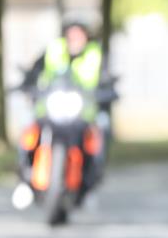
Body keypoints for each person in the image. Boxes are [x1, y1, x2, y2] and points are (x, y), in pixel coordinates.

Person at [12, 14, 107, 209]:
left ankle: (90, 184)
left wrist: (107, 89)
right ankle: (24, 179)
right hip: (49, 108)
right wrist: (27, 84)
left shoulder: (94, 54)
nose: (75, 38)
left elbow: (105, 77)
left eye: (80, 34)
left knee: (102, 131)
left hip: (83, 113)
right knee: (27, 128)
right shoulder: (54, 50)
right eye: (72, 34)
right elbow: (35, 70)